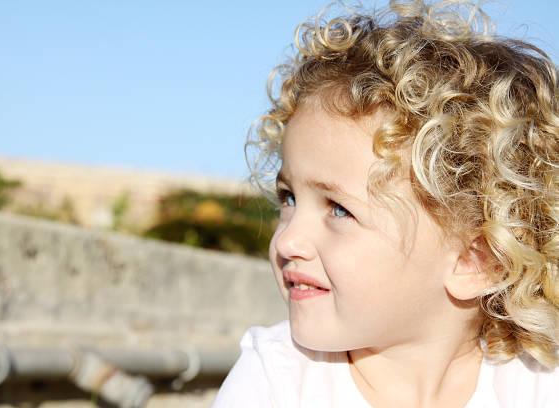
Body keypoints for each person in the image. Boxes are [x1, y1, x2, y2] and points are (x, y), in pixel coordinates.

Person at [212, 1, 559, 406]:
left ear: (474, 260)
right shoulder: (278, 379)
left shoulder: (536, 385)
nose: (288, 241)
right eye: (289, 198)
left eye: (339, 209)